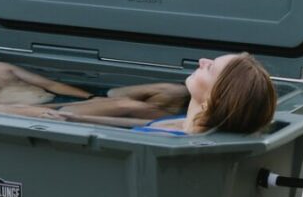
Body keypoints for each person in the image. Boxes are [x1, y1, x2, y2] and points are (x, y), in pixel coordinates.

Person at [0, 0, 276, 134]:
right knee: (139, 105)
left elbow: (60, 90)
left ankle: (136, 106)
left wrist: (85, 104)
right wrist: (66, 115)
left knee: (152, 99)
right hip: (40, 119)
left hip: (56, 111)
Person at [56, 53, 277, 135]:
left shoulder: (165, 141)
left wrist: (73, 119)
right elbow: (127, 125)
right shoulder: (191, 125)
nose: (202, 60)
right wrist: (81, 119)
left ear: (214, 99)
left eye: (210, 68)